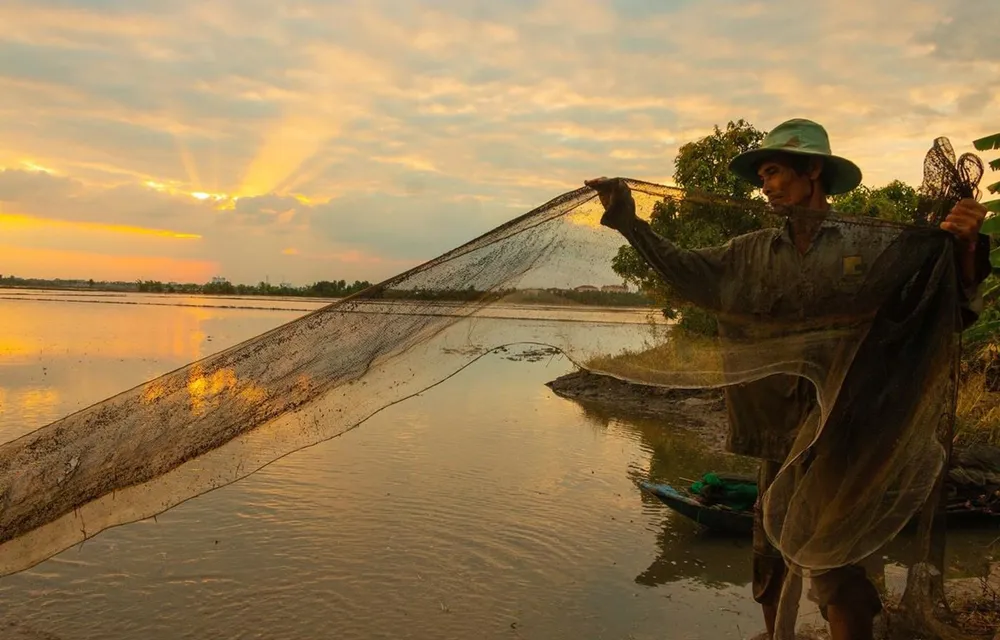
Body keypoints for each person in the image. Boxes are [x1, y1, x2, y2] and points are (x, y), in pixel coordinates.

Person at [586, 118, 991, 640]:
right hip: (777, 435)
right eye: (763, 175)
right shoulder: (748, 254)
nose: (766, 185)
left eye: (775, 171)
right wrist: (628, 224)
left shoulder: (872, 246)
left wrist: (961, 247)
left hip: (847, 435)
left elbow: (939, 309)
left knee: (840, 571)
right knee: (771, 562)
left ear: (813, 171)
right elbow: (686, 270)